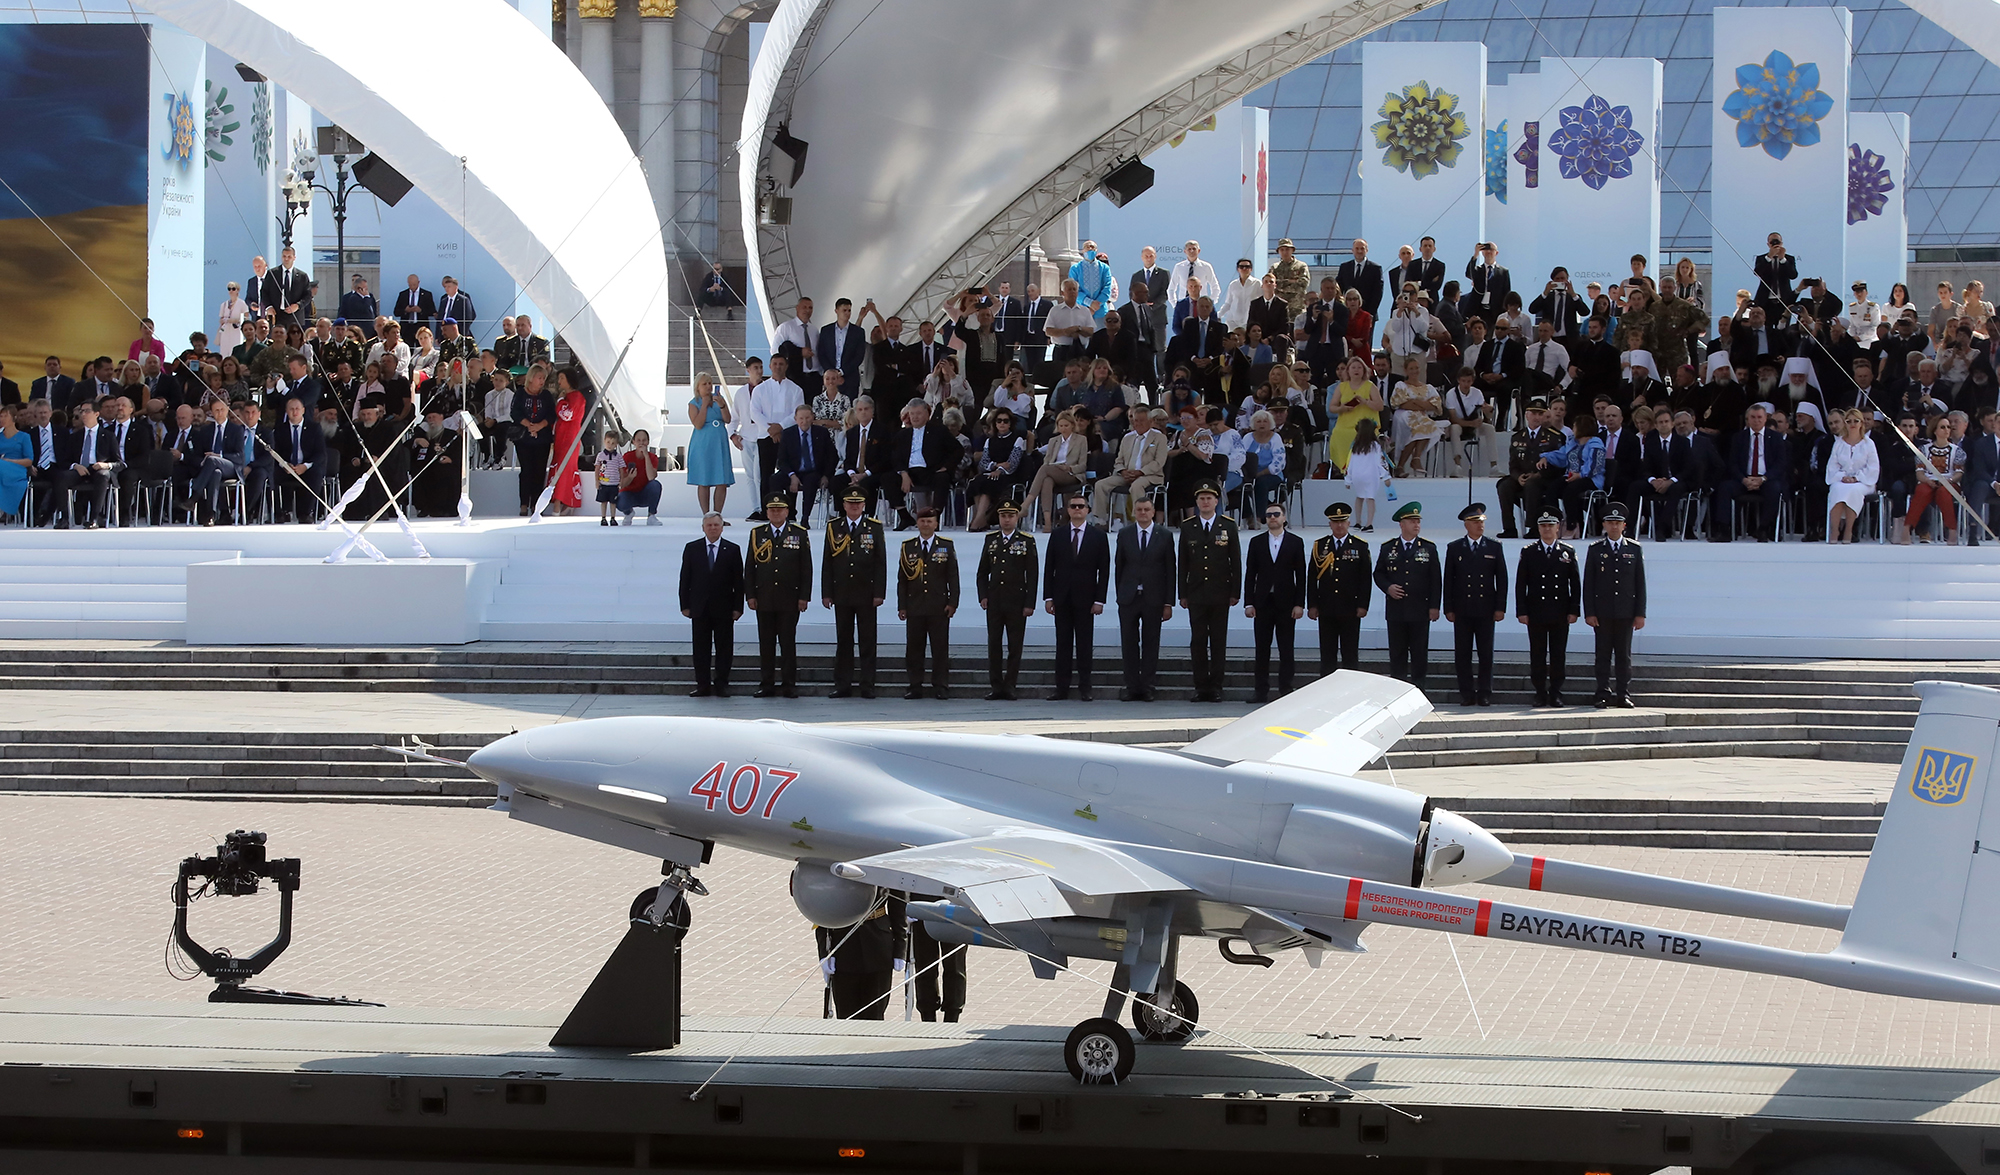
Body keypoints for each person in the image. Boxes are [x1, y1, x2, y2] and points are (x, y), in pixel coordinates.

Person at [1043, 493, 1110, 700]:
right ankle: (1061, 687)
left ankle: (1085, 687)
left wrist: (1100, 600)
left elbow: (1104, 570)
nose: (1077, 509)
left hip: (1087, 599)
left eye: (1081, 506)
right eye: (1073, 506)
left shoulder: (1098, 536)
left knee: (1084, 644)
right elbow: (1049, 568)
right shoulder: (1058, 534)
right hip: (1062, 597)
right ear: (1068, 510)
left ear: (1088, 510)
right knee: (1062, 644)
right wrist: (1048, 597)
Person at [822, 487, 887, 698]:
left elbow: (880, 563)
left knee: (868, 641)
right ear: (844, 505)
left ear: (864, 505)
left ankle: (867, 685)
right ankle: (843, 684)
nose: (854, 506)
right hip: (842, 592)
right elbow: (827, 563)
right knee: (844, 641)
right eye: (851, 503)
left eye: (858, 503)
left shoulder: (874, 527)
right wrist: (827, 592)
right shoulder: (834, 527)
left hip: (866, 593)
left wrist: (879, 593)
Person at [1178, 484, 1241, 702]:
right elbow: (1183, 563)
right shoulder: (1188, 527)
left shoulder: (1228, 526)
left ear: (1216, 502)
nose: (1205, 502)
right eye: (1202, 498)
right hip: (1196, 592)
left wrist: (1235, 591)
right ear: (1196, 503)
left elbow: (1236, 562)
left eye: (1209, 498)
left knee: (1217, 640)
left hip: (1220, 592)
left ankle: (1216, 686)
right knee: (1197, 641)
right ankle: (1200, 686)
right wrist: (1182, 593)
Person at [746, 496, 812, 697]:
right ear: (766, 512)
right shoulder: (758, 533)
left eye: (780, 509)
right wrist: (750, 594)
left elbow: (806, 569)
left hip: (789, 598)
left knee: (787, 643)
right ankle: (766, 683)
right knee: (766, 644)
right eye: (772, 510)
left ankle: (789, 684)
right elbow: (750, 567)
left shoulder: (799, 534)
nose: (776, 513)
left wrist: (804, 597)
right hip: (764, 597)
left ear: (787, 512)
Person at [1443, 502, 1508, 707]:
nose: (1480, 526)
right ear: (1466, 525)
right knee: (1462, 653)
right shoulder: (1454, 548)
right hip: (1462, 609)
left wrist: (1500, 607)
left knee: (1485, 653)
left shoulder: (1494, 547)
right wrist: (1449, 608)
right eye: (1475, 522)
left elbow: (1502, 580)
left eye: (1481, 522)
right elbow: (1449, 580)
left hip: (1486, 608)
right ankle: (1466, 693)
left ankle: (1485, 692)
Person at [1583, 504, 1646, 707]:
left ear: (1624, 525)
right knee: (1602, 655)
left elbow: (1640, 584)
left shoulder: (1634, 549)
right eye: (1610, 523)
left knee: (1623, 656)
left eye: (1618, 523)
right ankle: (1602, 693)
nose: (1614, 526)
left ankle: (1622, 693)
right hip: (1602, 612)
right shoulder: (1595, 549)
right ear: (1604, 525)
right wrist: (1590, 612)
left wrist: (1640, 614)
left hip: (1626, 612)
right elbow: (1589, 584)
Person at [1243, 501, 1306, 701]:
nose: (1272, 517)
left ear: (1284, 517)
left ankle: (1286, 689)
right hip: (1263, 602)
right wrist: (1249, 602)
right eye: (1269, 514)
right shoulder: (1257, 542)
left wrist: (1299, 603)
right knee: (1262, 648)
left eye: (1276, 514)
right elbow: (1250, 574)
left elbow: (1301, 575)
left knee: (1286, 648)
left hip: (1286, 603)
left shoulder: (1296, 542)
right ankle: (1260, 690)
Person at [1372, 500, 1440, 689]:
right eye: (1412, 521)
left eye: (1418, 521)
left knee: (1419, 652)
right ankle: (1398, 689)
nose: (1416, 525)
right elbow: (1378, 573)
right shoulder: (1388, 548)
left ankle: (1419, 689)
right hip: (1397, 610)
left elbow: (1435, 579)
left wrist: (1434, 606)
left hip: (1420, 609)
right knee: (1397, 652)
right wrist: (1388, 587)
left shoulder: (1428, 548)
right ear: (1402, 525)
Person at [1515, 512, 1580, 706]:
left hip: (1560, 612)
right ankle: (1540, 691)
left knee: (1558, 654)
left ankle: (1556, 691)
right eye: (1543, 526)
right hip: (1536, 611)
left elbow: (1575, 583)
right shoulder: (1529, 551)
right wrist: (1522, 610)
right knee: (1538, 654)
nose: (1547, 529)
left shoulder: (1567, 551)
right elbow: (1521, 584)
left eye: (1550, 526)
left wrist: (1574, 609)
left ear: (1557, 527)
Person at [976, 500, 1037, 700]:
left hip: (1016, 601)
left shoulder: (1026, 541)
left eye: (1011, 516)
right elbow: (982, 572)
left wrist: (1029, 603)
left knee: (1015, 645)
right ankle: (995, 685)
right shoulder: (991, 539)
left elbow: (1032, 575)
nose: (1007, 519)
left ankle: (1010, 685)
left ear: (1017, 517)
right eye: (1003, 516)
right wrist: (983, 596)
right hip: (994, 600)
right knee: (994, 644)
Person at [1113, 496, 1174, 701]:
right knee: (1128, 643)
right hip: (1129, 597)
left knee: (1151, 642)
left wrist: (1168, 602)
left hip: (1154, 597)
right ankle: (1131, 686)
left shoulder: (1164, 535)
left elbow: (1170, 569)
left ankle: (1147, 686)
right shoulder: (1124, 534)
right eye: (1139, 509)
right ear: (1134, 512)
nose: (1143, 513)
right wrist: (1120, 594)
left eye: (1146, 509)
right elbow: (1119, 567)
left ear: (1153, 511)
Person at [681, 513, 744, 696]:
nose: (713, 528)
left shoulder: (732, 549)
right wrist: (685, 605)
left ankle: (721, 684)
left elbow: (738, 582)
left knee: (724, 648)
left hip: (724, 608)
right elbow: (685, 579)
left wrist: (738, 607)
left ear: (722, 527)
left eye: (716, 525)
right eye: (709, 525)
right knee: (700, 648)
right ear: (703, 528)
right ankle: (702, 684)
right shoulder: (692, 548)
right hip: (699, 608)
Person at [897, 507, 958, 699]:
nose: (926, 524)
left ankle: (941, 686)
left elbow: (953, 577)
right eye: (923, 521)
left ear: (936, 524)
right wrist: (902, 605)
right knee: (914, 649)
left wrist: (953, 602)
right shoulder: (908, 546)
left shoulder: (946, 545)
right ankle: (915, 685)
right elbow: (903, 580)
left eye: (930, 521)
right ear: (917, 523)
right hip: (915, 605)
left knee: (940, 649)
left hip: (938, 605)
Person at [1306, 502, 1371, 675]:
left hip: (1350, 607)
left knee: (1350, 654)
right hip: (1327, 607)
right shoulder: (1320, 546)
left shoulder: (1359, 546)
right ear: (1330, 524)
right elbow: (1312, 577)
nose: (1339, 525)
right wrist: (1312, 604)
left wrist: (1363, 605)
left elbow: (1365, 579)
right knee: (1327, 654)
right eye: (1335, 521)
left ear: (1349, 523)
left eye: (1343, 521)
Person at [1715, 401, 1789, 541]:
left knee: (1775, 488)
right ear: (1747, 419)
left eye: (1759, 417)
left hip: (1766, 480)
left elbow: (1780, 464)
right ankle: (1724, 530)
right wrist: (1743, 479)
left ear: (1765, 419)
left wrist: (1763, 479)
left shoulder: (1775, 438)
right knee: (1725, 487)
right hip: (1744, 479)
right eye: (1753, 417)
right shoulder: (1738, 438)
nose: (1756, 420)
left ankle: (1763, 529)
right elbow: (1733, 463)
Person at [1905, 415, 1964, 544]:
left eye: (1948, 427)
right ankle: (1907, 529)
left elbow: (1959, 473)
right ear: (1935, 430)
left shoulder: (1957, 451)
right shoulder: (1924, 449)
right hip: (1928, 481)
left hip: (1950, 482)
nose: (1947, 430)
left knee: (1944, 493)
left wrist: (1949, 481)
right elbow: (1919, 473)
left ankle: (1952, 531)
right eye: (1943, 427)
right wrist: (1927, 481)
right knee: (1921, 491)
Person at [966, 408, 1028, 531]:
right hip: (991, 472)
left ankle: (979, 519)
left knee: (989, 482)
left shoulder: (1017, 439)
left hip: (1010, 475)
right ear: (995, 423)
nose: (1002, 424)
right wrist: (996, 465)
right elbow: (983, 463)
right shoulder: (990, 441)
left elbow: (1012, 463)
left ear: (1010, 423)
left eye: (1005, 421)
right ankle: (982, 519)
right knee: (976, 482)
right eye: (999, 421)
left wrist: (999, 470)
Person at [1825, 408, 1880, 544]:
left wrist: (1856, 478)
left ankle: (1848, 530)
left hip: (1863, 481)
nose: (1852, 424)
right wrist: (1842, 476)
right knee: (1837, 489)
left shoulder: (1868, 443)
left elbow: (1873, 467)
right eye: (1849, 421)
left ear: (1861, 423)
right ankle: (1835, 529)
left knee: (1854, 490)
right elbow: (1833, 465)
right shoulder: (1839, 443)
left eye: (1856, 421)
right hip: (1841, 479)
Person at [1027, 409, 1089, 529]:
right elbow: (1047, 461)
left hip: (1071, 473)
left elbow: (1082, 466)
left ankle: (1027, 502)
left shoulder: (1081, 440)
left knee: (1045, 469)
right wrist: (1055, 467)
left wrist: (1068, 467)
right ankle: (1048, 522)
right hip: (1053, 471)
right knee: (1046, 481)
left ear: (1072, 425)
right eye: (1061, 426)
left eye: (1066, 425)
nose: (1064, 428)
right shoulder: (1053, 441)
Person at [686, 372, 735, 519]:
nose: (708, 386)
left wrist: (721, 404)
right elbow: (698, 424)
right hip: (703, 444)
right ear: (698, 387)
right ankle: (707, 515)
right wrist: (705, 406)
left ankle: (718, 515)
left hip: (719, 442)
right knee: (704, 479)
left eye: (710, 383)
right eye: (704, 384)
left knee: (721, 480)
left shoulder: (719, 400)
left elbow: (727, 419)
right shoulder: (693, 403)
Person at [778, 404, 836, 526]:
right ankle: (781, 515)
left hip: (813, 471)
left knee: (811, 481)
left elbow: (832, 457)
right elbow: (782, 460)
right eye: (801, 418)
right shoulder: (788, 434)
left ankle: (805, 518)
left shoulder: (822, 432)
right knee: (774, 480)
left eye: (807, 417)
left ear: (812, 417)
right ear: (795, 419)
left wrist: (826, 475)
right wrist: (792, 476)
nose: (804, 421)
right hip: (793, 470)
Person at [511, 365, 556, 516]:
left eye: (543, 378)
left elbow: (551, 414)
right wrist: (529, 425)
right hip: (524, 438)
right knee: (526, 471)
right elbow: (515, 412)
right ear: (531, 378)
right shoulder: (520, 394)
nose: (542, 381)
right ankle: (524, 504)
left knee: (539, 471)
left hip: (542, 438)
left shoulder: (547, 396)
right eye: (539, 377)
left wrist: (539, 426)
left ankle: (537, 505)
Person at [547, 369, 588, 515]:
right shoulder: (568, 397)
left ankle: (559, 503)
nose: (559, 382)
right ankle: (565, 501)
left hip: (570, 439)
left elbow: (567, 414)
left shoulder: (577, 397)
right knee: (559, 467)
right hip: (561, 438)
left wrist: (560, 401)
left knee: (564, 469)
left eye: (562, 378)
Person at [1343, 418, 1392, 533]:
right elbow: (1380, 461)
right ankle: (1369, 524)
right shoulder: (1375, 445)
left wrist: (1348, 479)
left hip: (1357, 476)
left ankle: (1358, 522)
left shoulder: (1355, 445)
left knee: (1359, 497)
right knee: (1370, 498)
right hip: (1371, 476)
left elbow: (1351, 463)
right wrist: (1386, 476)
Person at [618, 430, 663, 526]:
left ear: (648, 442)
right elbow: (621, 484)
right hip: (629, 494)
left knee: (656, 485)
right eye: (638, 440)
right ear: (634, 442)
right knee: (618, 499)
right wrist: (630, 477)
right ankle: (628, 513)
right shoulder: (627, 457)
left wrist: (646, 456)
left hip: (645, 493)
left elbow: (651, 477)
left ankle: (651, 515)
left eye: (644, 440)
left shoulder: (653, 457)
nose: (641, 443)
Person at [0, 404, 30, 524]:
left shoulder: (24, 437)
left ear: (13, 418)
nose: (1, 418)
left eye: (4, 416)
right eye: (0, 416)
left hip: (17, 469)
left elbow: (29, 460)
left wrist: (10, 461)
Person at [593, 428, 625, 526]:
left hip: (614, 483)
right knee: (603, 501)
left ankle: (613, 518)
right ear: (604, 441)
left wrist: (621, 480)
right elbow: (597, 468)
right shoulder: (600, 455)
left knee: (613, 502)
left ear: (616, 444)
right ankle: (603, 518)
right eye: (608, 442)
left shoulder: (618, 456)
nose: (610, 445)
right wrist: (597, 481)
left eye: (612, 443)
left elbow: (621, 469)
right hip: (603, 483)